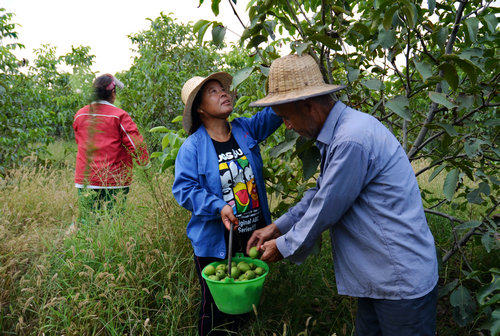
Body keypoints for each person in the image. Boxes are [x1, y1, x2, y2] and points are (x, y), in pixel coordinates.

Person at [246, 54, 439, 336]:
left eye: (286, 117)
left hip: (398, 281)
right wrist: (277, 227)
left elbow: (327, 206)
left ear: (309, 106)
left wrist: (283, 245)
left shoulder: (351, 139)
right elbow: (322, 192)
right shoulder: (342, 132)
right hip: (379, 277)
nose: (286, 125)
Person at [172, 72, 282, 335]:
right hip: (216, 242)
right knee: (214, 309)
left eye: (223, 89)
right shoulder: (194, 147)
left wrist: (281, 78)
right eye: (213, 91)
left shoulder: (245, 130)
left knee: (244, 302)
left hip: (251, 235)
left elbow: (277, 110)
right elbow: (184, 189)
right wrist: (217, 206)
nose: (224, 93)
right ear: (199, 107)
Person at [73, 74, 149, 223]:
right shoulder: (119, 115)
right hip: (114, 180)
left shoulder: (80, 114)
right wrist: (146, 165)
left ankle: (84, 244)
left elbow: (80, 141)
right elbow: (135, 145)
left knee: (87, 220)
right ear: (113, 93)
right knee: (113, 221)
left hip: (86, 178)